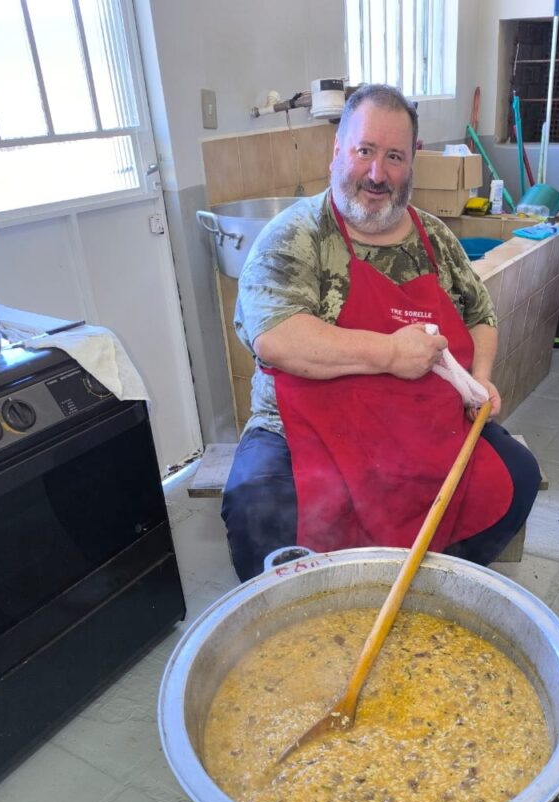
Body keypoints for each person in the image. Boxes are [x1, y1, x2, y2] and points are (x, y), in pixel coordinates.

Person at [222, 83, 541, 582]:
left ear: (412, 162)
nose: (377, 174)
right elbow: (277, 337)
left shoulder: (436, 239)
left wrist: (478, 379)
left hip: (423, 422)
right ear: (337, 151)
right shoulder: (295, 235)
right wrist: (392, 353)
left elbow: (481, 316)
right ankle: (323, 617)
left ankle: (429, 588)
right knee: (256, 506)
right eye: (365, 151)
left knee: (514, 476)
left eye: (394, 157)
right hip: (301, 427)